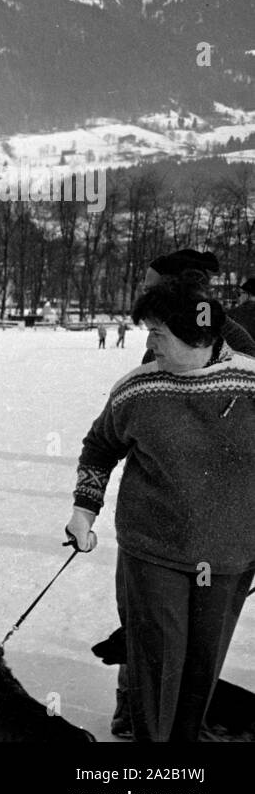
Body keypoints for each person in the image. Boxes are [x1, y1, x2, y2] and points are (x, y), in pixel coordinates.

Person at [66, 278, 255, 741]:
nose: (148, 343)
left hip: (231, 555)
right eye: (147, 331)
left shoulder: (251, 382)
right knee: (154, 664)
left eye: (158, 334)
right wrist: (84, 508)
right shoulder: (137, 389)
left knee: (201, 666)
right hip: (153, 552)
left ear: (202, 337)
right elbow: (99, 446)